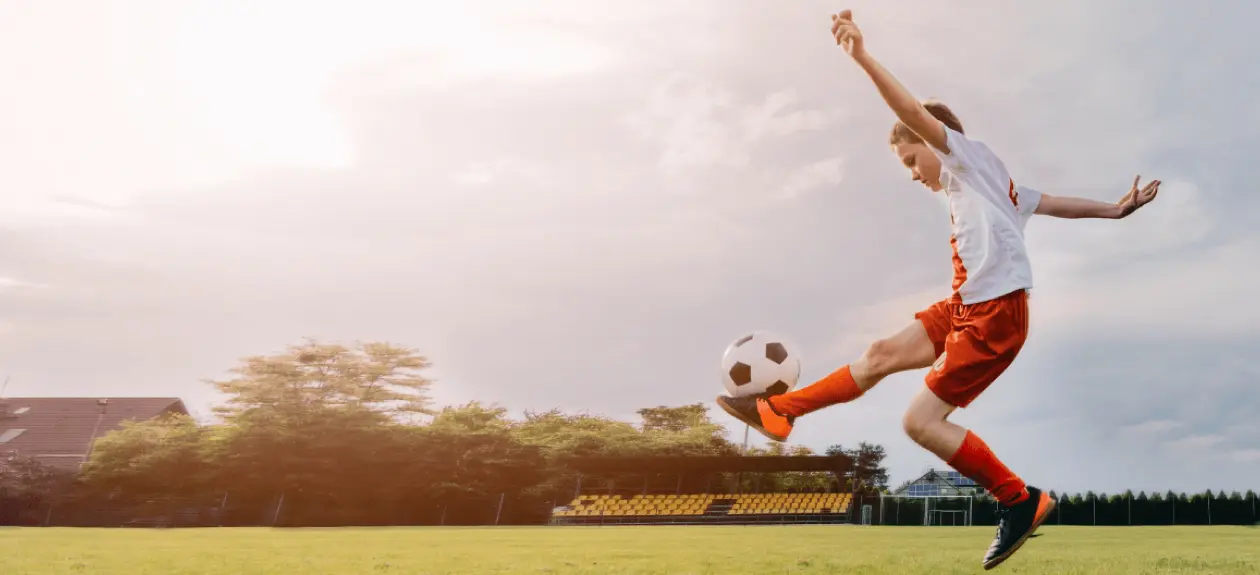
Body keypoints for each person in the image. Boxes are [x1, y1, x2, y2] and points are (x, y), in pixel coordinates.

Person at [716, 9, 1161, 570]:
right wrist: (1115, 210)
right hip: (965, 305)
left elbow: (909, 110)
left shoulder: (963, 157)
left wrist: (861, 59)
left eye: (909, 158)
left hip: (995, 315)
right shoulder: (993, 182)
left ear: (932, 141)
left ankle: (1019, 500)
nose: (911, 172)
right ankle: (778, 411)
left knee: (919, 423)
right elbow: (1052, 203)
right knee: (879, 355)